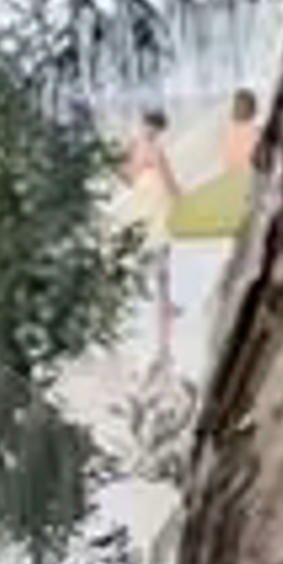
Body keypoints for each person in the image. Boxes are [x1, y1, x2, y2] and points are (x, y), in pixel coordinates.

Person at [118, 103, 181, 367]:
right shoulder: (152, 149)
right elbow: (169, 180)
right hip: (155, 204)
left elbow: (124, 174)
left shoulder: (133, 145)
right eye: (154, 127)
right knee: (161, 253)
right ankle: (164, 303)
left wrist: (137, 184)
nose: (154, 132)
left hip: (145, 202)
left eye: (155, 128)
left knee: (154, 251)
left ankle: (163, 302)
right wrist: (180, 199)